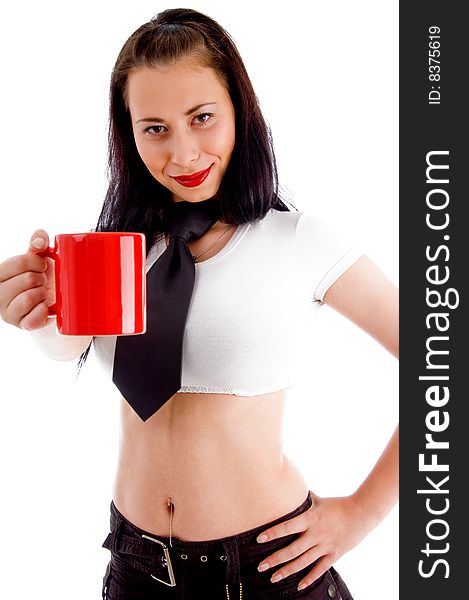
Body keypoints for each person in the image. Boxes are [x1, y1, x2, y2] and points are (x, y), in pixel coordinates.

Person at [0, 7, 398, 600]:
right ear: (127, 133)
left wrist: (360, 515)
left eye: (202, 117)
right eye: (154, 128)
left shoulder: (298, 241)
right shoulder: (122, 248)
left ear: (241, 111)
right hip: (136, 568)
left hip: (268, 569)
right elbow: (68, 347)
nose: (183, 154)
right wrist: (37, 306)